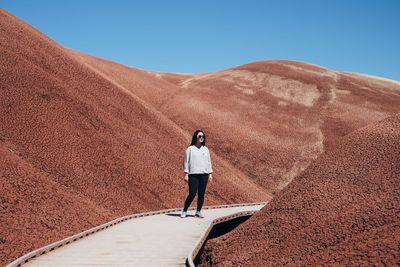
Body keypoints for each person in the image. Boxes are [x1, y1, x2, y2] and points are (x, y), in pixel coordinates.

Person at [180, 130, 213, 218]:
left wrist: (210, 173)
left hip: (204, 174)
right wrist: (186, 173)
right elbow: (186, 162)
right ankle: (184, 210)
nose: (201, 138)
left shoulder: (205, 149)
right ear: (195, 137)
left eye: (203, 136)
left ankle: (198, 211)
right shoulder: (190, 149)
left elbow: (209, 161)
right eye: (199, 136)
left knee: (201, 193)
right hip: (193, 174)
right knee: (192, 193)